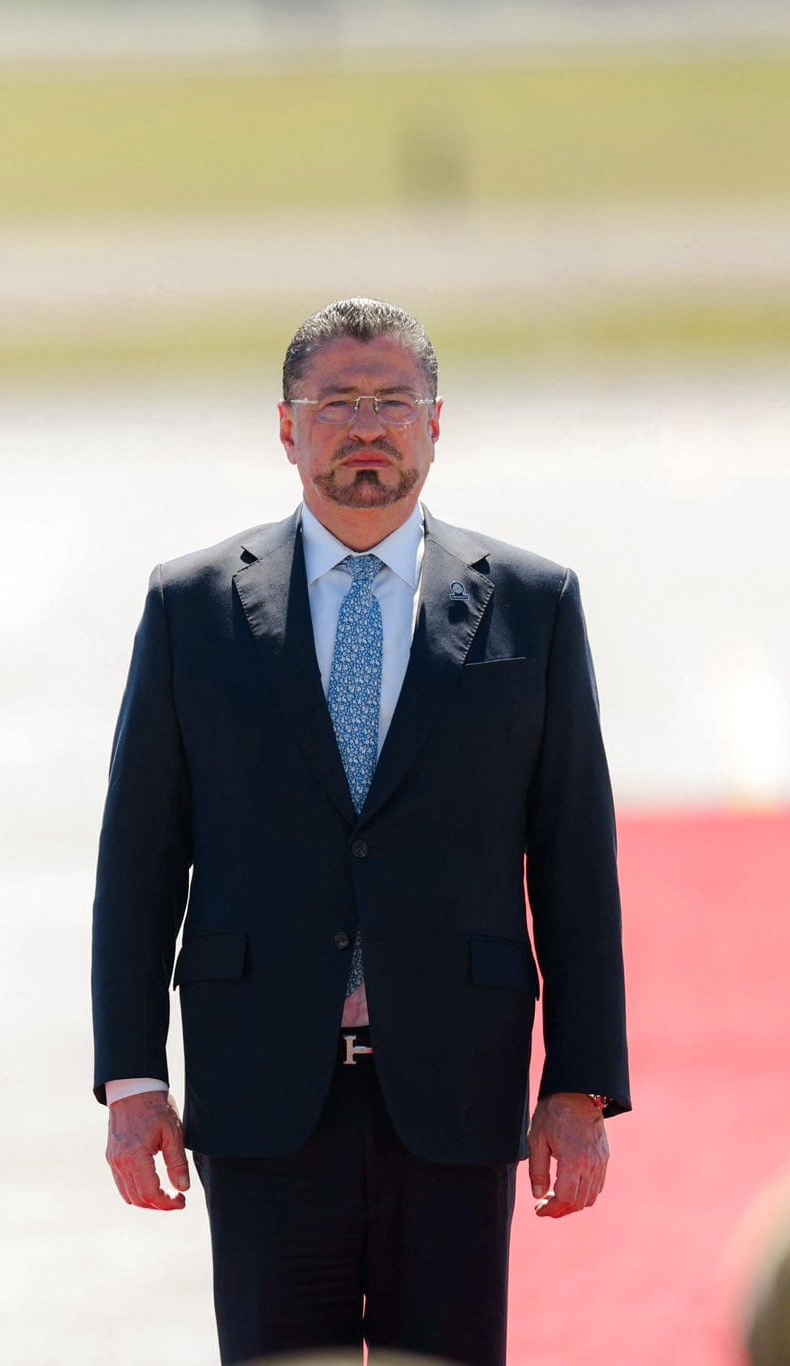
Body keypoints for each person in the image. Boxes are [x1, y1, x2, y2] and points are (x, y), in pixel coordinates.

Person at [89, 299, 629, 1365]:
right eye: (335, 402)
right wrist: (131, 1076)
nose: (365, 426)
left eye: (392, 401)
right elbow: (138, 859)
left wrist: (577, 1083)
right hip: (259, 1091)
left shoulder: (530, 603)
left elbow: (573, 864)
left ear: (437, 424)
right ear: (285, 429)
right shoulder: (190, 606)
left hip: (453, 1085)